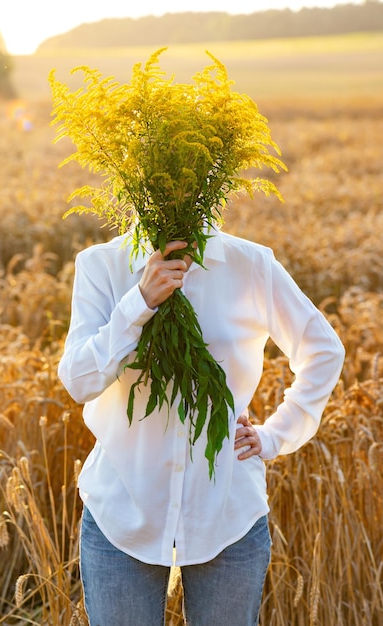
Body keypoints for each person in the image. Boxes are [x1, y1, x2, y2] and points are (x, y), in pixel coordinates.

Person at [58, 227, 345, 626]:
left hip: (227, 512)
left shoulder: (251, 264)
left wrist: (276, 434)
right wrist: (139, 302)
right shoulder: (103, 263)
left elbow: (324, 350)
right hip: (120, 512)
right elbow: (78, 381)